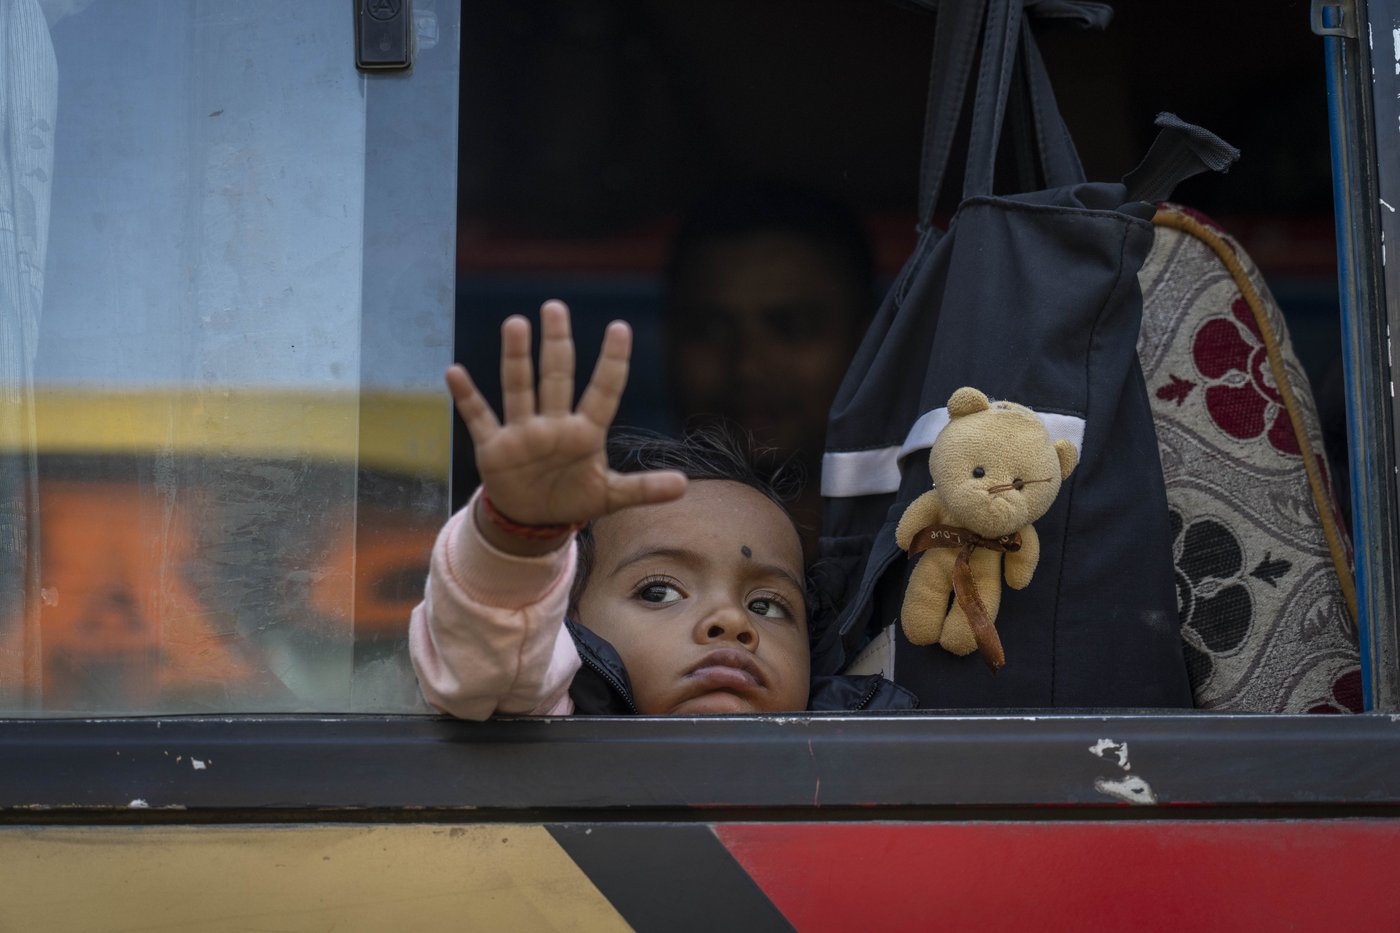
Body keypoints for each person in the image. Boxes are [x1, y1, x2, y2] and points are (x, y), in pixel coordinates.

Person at [410, 299, 914, 718]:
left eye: (767, 605)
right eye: (659, 592)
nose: (731, 621)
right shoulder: (544, 710)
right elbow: (488, 652)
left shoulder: (860, 753)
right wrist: (513, 538)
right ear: (566, 630)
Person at [661, 180, 876, 559]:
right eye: (709, 330)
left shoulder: (929, 553)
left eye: (791, 327)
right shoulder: (600, 555)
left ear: (869, 341)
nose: (747, 368)